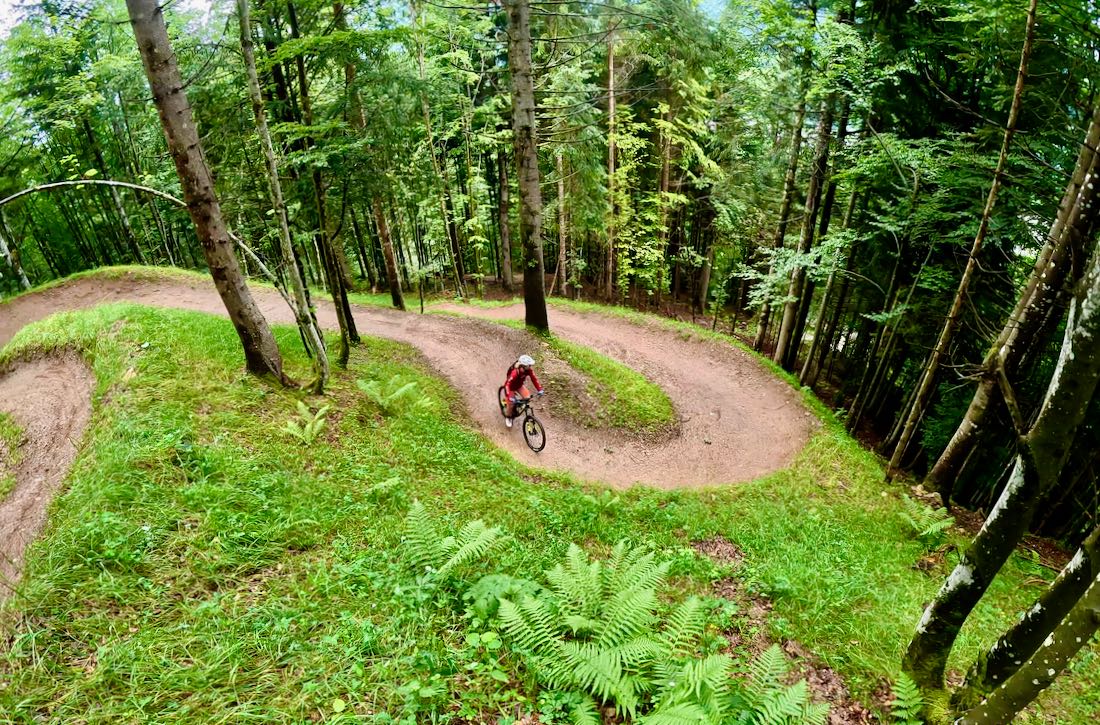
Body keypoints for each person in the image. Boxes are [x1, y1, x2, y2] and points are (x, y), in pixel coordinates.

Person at [503, 354, 544, 427]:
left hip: (519, 386)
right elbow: (507, 384)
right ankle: (509, 417)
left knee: (527, 397)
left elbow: (534, 379)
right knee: (511, 404)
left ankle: (517, 405)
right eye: (528, 366)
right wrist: (510, 396)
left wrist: (539, 389)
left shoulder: (528, 370)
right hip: (511, 387)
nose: (530, 367)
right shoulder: (515, 372)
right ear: (522, 366)